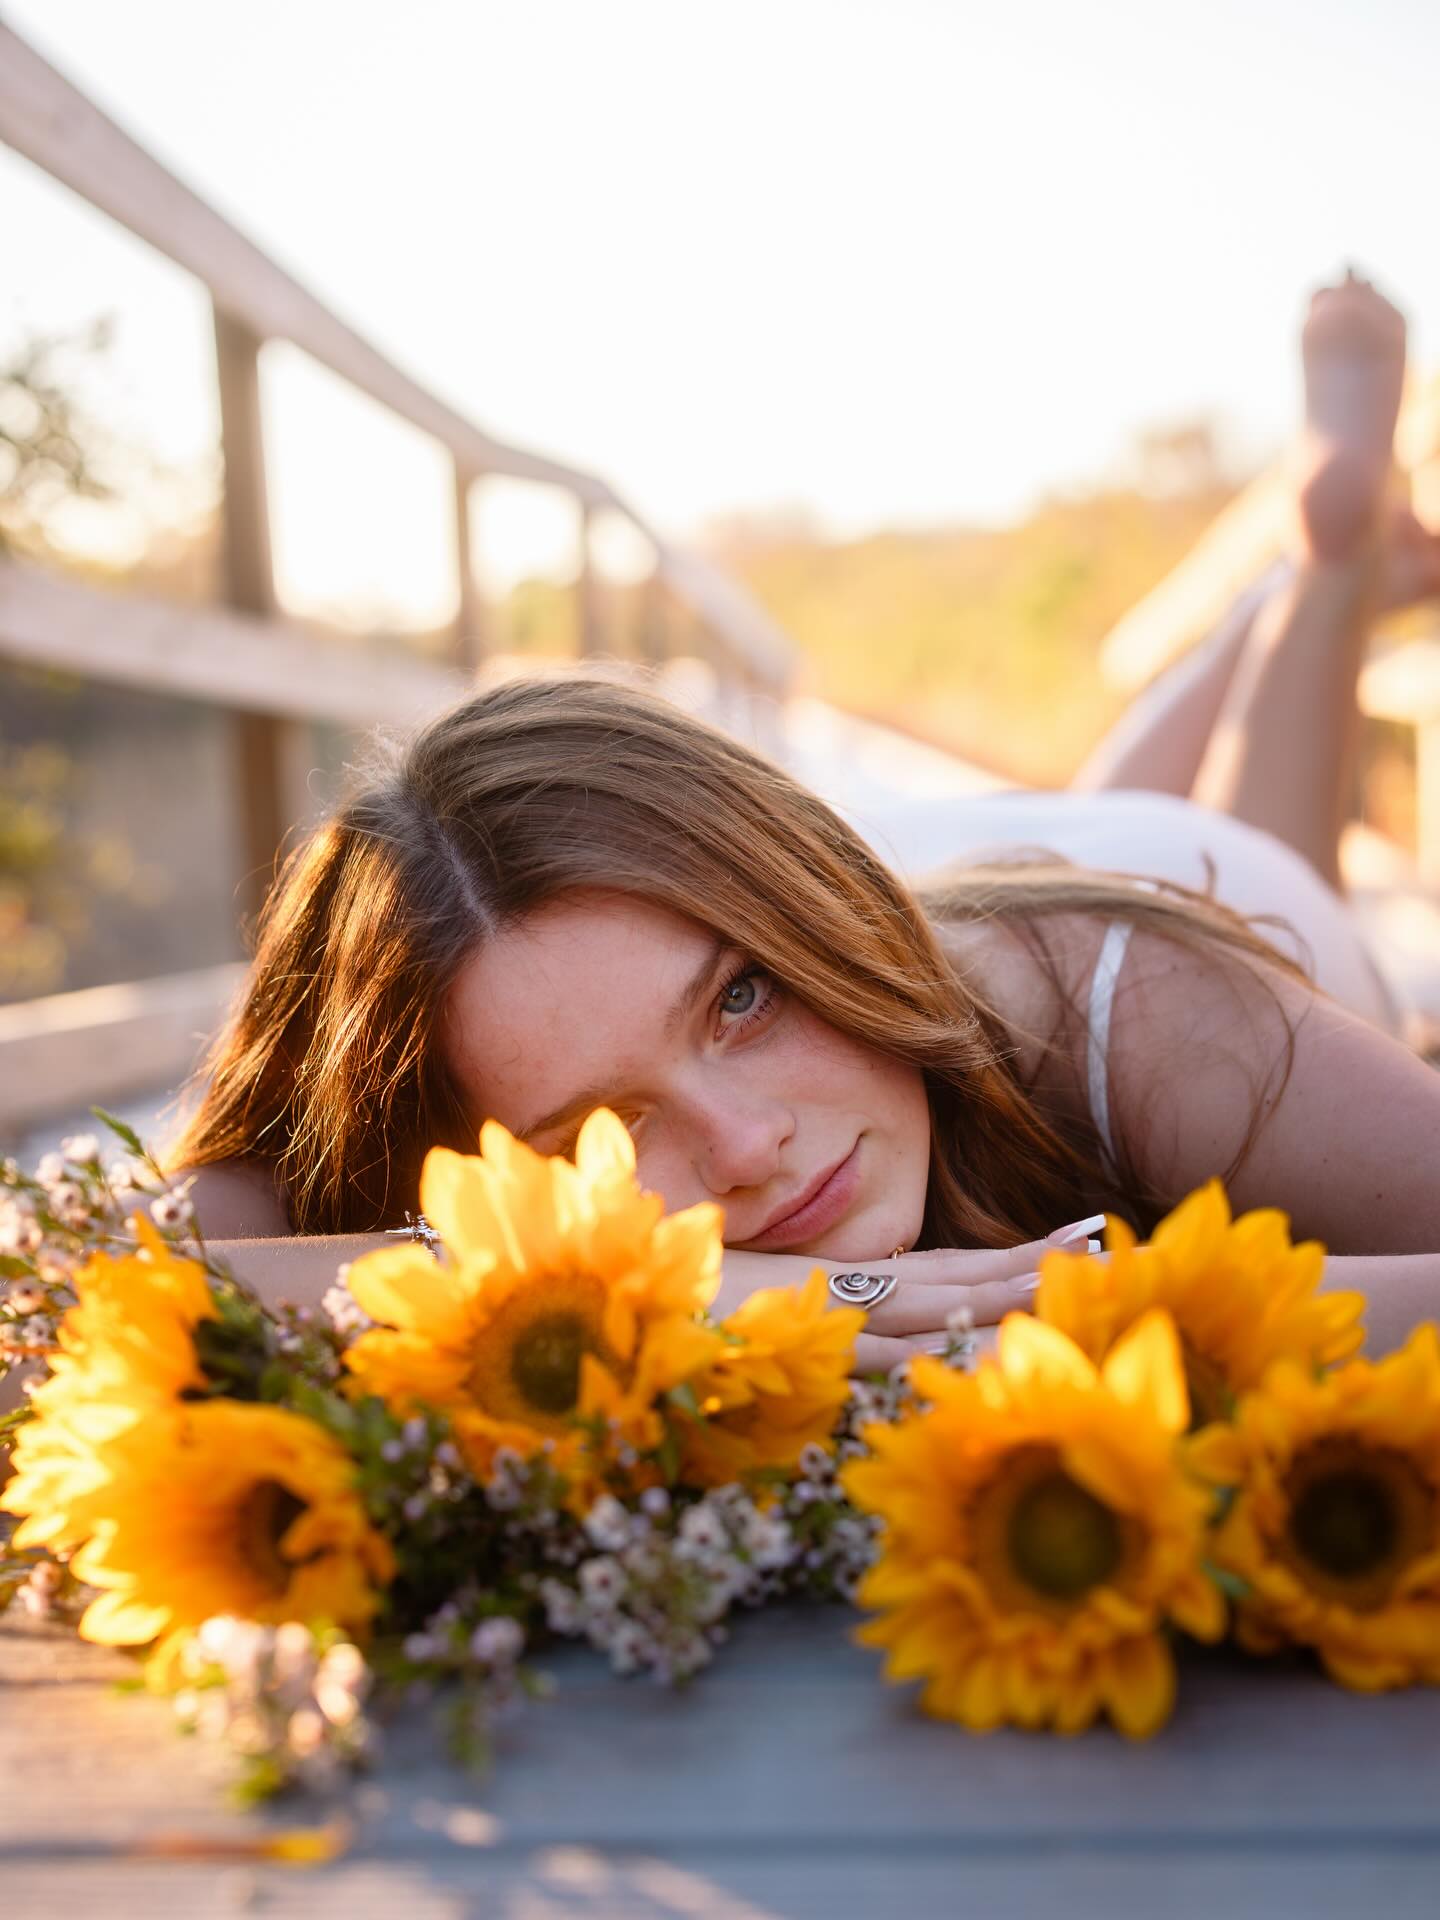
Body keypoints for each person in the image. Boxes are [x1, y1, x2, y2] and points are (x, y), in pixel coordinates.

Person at [174, 275, 1440, 1373]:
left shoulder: (1144, 1007)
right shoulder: (476, 1029)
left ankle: (1320, 576)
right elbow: (65, 1313)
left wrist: (1048, 1320)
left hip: (1146, 904)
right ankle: (1279, 592)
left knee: (1236, 841)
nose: (747, 1145)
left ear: (808, 910)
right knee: (1115, 802)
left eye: (740, 1001)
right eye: (602, 1136)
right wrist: (649, 1299)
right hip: (975, 862)